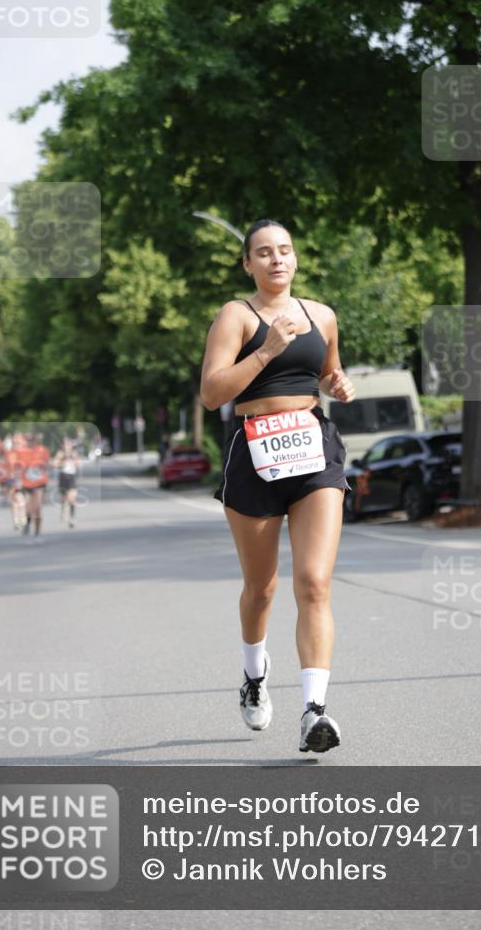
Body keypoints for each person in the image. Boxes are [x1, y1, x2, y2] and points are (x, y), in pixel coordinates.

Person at [200, 219, 355, 754]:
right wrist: (265, 351)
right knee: (261, 588)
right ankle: (254, 676)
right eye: (263, 253)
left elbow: (329, 372)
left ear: (295, 258)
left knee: (313, 582)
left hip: (312, 449)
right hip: (255, 452)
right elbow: (211, 392)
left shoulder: (322, 315)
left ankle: (314, 710)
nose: (276, 260)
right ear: (248, 264)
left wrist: (339, 383)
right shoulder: (236, 316)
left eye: (284, 250)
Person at [15, 433, 50, 540]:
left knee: (37, 508)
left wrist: (41, 468)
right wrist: (20, 475)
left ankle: (37, 532)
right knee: (28, 509)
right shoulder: (21, 451)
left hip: (40, 483)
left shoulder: (42, 450)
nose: (29, 442)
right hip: (27, 483)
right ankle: (27, 523)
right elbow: (17, 467)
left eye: (31, 440)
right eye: (27, 440)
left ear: (35, 441)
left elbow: (47, 464)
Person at [54, 443, 80, 528]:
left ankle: (72, 518)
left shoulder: (74, 453)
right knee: (64, 498)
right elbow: (55, 464)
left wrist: (73, 458)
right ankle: (63, 509)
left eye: (69, 445)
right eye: (65, 445)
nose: (67, 446)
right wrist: (62, 460)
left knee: (72, 498)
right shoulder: (60, 453)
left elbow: (78, 464)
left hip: (71, 477)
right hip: (63, 477)